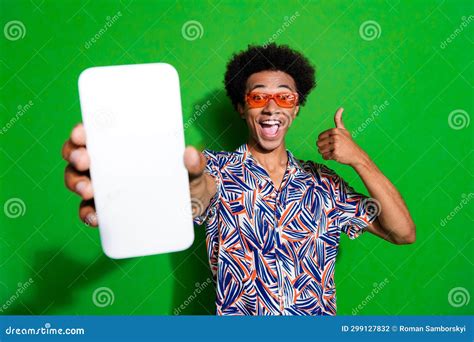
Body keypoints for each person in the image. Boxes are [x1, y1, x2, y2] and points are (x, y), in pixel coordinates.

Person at [62, 43, 415, 316]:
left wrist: (358, 159)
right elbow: (196, 194)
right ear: (242, 107)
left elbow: (402, 232)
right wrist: (126, 182)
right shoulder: (214, 170)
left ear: (296, 107)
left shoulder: (324, 183)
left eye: (284, 97)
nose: (271, 107)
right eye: (258, 96)